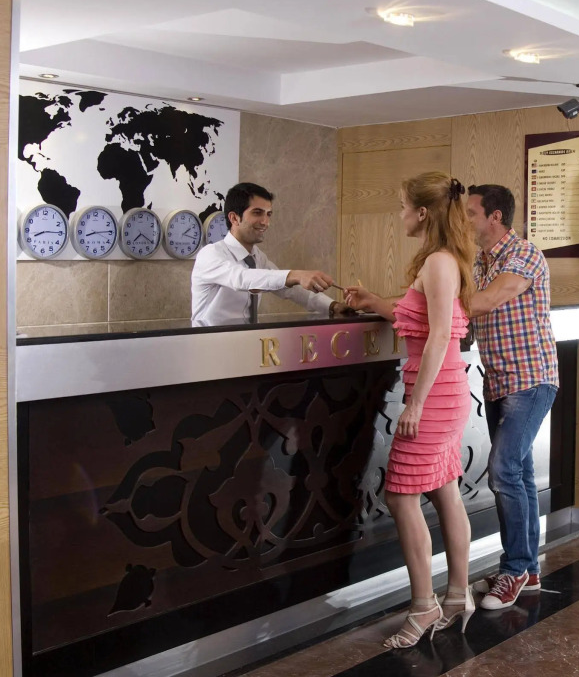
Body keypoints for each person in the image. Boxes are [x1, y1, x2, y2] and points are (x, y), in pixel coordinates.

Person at [343, 172, 478, 649]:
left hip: (435, 396)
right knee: (445, 491)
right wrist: (374, 303)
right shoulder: (442, 260)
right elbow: (420, 320)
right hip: (444, 391)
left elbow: (439, 335)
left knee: (402, 497)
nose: (400, 214)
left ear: (422, 212)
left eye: (403, 206)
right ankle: (457, 596)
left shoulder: (439, 262)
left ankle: (424, 606)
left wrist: (415, 403)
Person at [463, 184, 559, 611]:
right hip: (499, 383)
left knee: (503, 470)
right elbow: (470, 314)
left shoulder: (524, 254)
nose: (465, 220)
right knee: (519, 473)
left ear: (495, 216)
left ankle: (515, 568)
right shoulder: (480, 262)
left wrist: (430, 303)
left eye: (471, 213)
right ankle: (529, 570)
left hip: (531, 380)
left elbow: (488, 301)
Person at [191, 182, 344, 327]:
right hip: (209, 342)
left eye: (268, 214)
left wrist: (333, 306)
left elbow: (289, 289)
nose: (265, 222)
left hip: (246, 340)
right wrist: (295, 275)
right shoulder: (210, 254)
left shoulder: (258, 257)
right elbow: (241, 278)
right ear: (234, 218)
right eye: (257, 213)